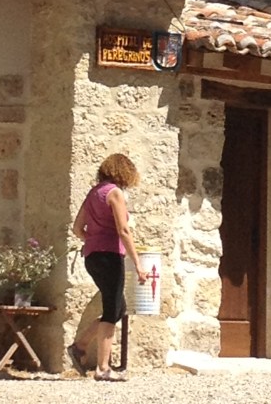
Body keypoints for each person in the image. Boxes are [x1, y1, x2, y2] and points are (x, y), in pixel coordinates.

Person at [68, 153, 148, 382]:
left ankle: (80, 346)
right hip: (110, 256)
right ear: (124, 173)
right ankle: (103, 368)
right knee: (113, 310)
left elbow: (76, 228)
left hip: (92, 257)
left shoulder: (94, 193)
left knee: (117, 308)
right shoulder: (115, 193)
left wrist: (92, 240)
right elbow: (124, 231)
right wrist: (138, 263)